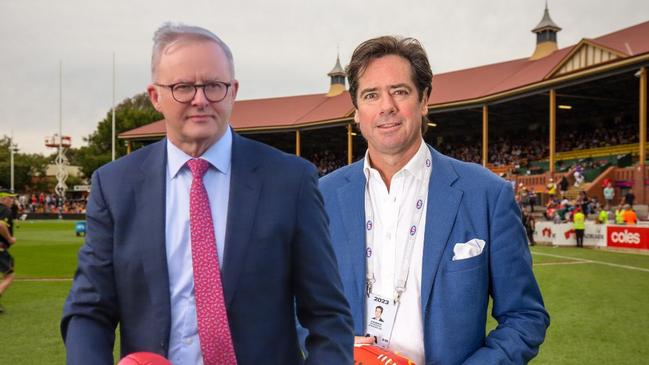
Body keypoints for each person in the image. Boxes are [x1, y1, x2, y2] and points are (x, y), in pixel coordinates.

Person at [61, 23, 353, 365]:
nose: (200, 100)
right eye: (183, 87)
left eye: (214, 85)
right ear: (155, 96)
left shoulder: (291, 180)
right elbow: (89, 311)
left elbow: (327, 315)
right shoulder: (115, 186)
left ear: (233, 91)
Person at [319, 36, 549, 364]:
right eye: (371, 95)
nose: (386, 106)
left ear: (424, 100)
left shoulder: (486, 194)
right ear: (357, 111)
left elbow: (525, 316)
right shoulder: (322, 198)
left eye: (400, 91)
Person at [0, 189, 17, 313]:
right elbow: (1, 225)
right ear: (3, 198)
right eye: (10, 198)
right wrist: (10, 239)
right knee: (9, 275)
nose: (12, 200)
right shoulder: (4, 210)